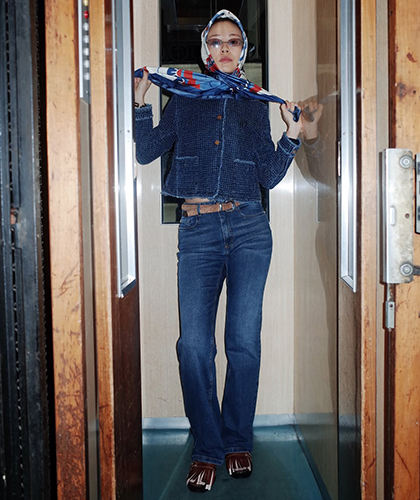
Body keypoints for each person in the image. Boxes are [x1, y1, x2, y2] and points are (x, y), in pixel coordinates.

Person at [134, 9, 302, 493]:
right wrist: (141, 103)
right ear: (206, 50)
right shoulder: (185, 96)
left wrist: (290, 135)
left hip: (250, 228)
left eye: (233, 41)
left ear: (243, 50)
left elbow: (268, 175)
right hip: (199, 230)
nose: (224, 48)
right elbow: (147, 151)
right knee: (193, 346)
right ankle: (207, 447)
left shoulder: (254, 103)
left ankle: (236, 441)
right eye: (216, 41)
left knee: (243, 343)